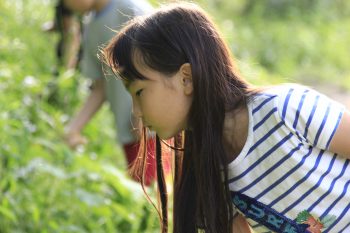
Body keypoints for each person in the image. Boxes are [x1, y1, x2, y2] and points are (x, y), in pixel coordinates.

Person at [103, 2, 350, 233]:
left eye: (139, 92)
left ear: (186, 78)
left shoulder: (285, 108)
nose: (136, 110)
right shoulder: (209, 171)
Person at [63, 0, 166, 186]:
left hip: (157, 126)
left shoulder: (130, 8)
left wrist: (143, 113)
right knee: (142, 190)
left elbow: (159, 63)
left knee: (162, 191)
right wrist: (75, 127)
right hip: (128, 131)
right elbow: (100, 86)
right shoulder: (91, 26)